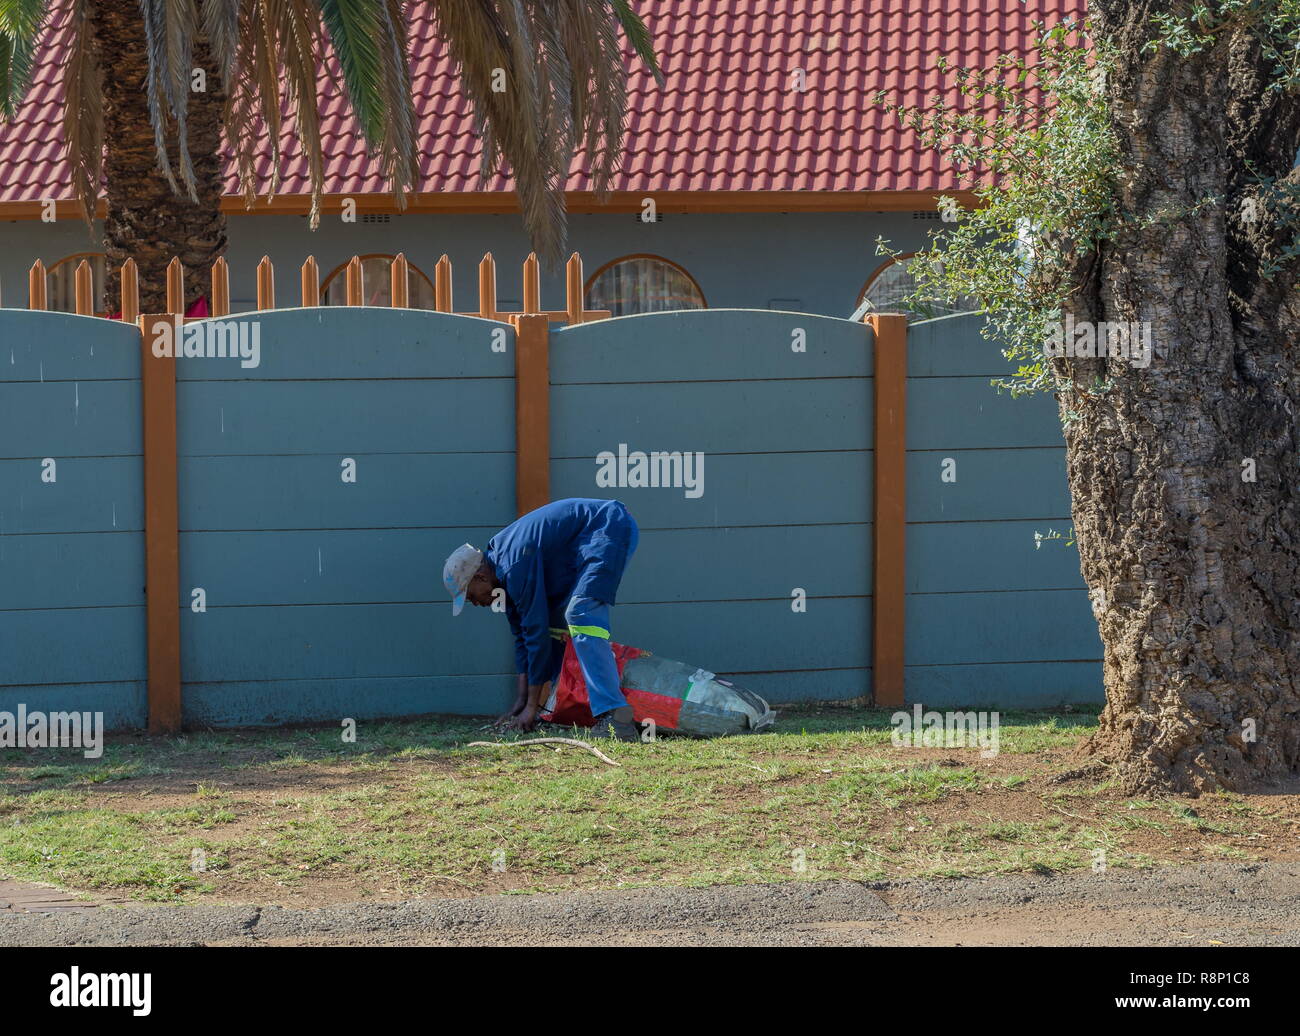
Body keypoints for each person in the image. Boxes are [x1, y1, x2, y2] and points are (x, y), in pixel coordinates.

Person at [443, 498, 640, 740]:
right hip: (586, 542)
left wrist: (531, 708)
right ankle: (566, 708)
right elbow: (523, 637)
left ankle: (616, 718)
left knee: (581, 614)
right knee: (555, 630)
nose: (475, 603)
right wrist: (521, 701)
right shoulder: (502, 573)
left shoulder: (514, 564)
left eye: (470, 595)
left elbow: (535, 635)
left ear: (481, 577)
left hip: (606, 527)